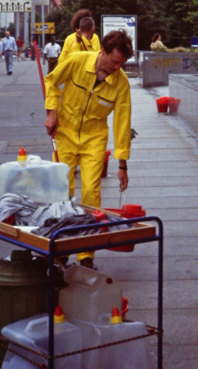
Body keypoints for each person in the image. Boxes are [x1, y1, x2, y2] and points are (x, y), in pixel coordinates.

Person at [44, 30, 134, 267]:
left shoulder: (121, 83)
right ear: (102, 51)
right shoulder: (76, 61)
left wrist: (122, 163)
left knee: (91, 192)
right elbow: (51, 80)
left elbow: (122, 123)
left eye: (122, 63)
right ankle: (62, 247)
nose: (118, 67)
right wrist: (52, 112)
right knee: (63, 189)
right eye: (115, 61)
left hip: (94, 137)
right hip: (65, 133)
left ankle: (86, 254)